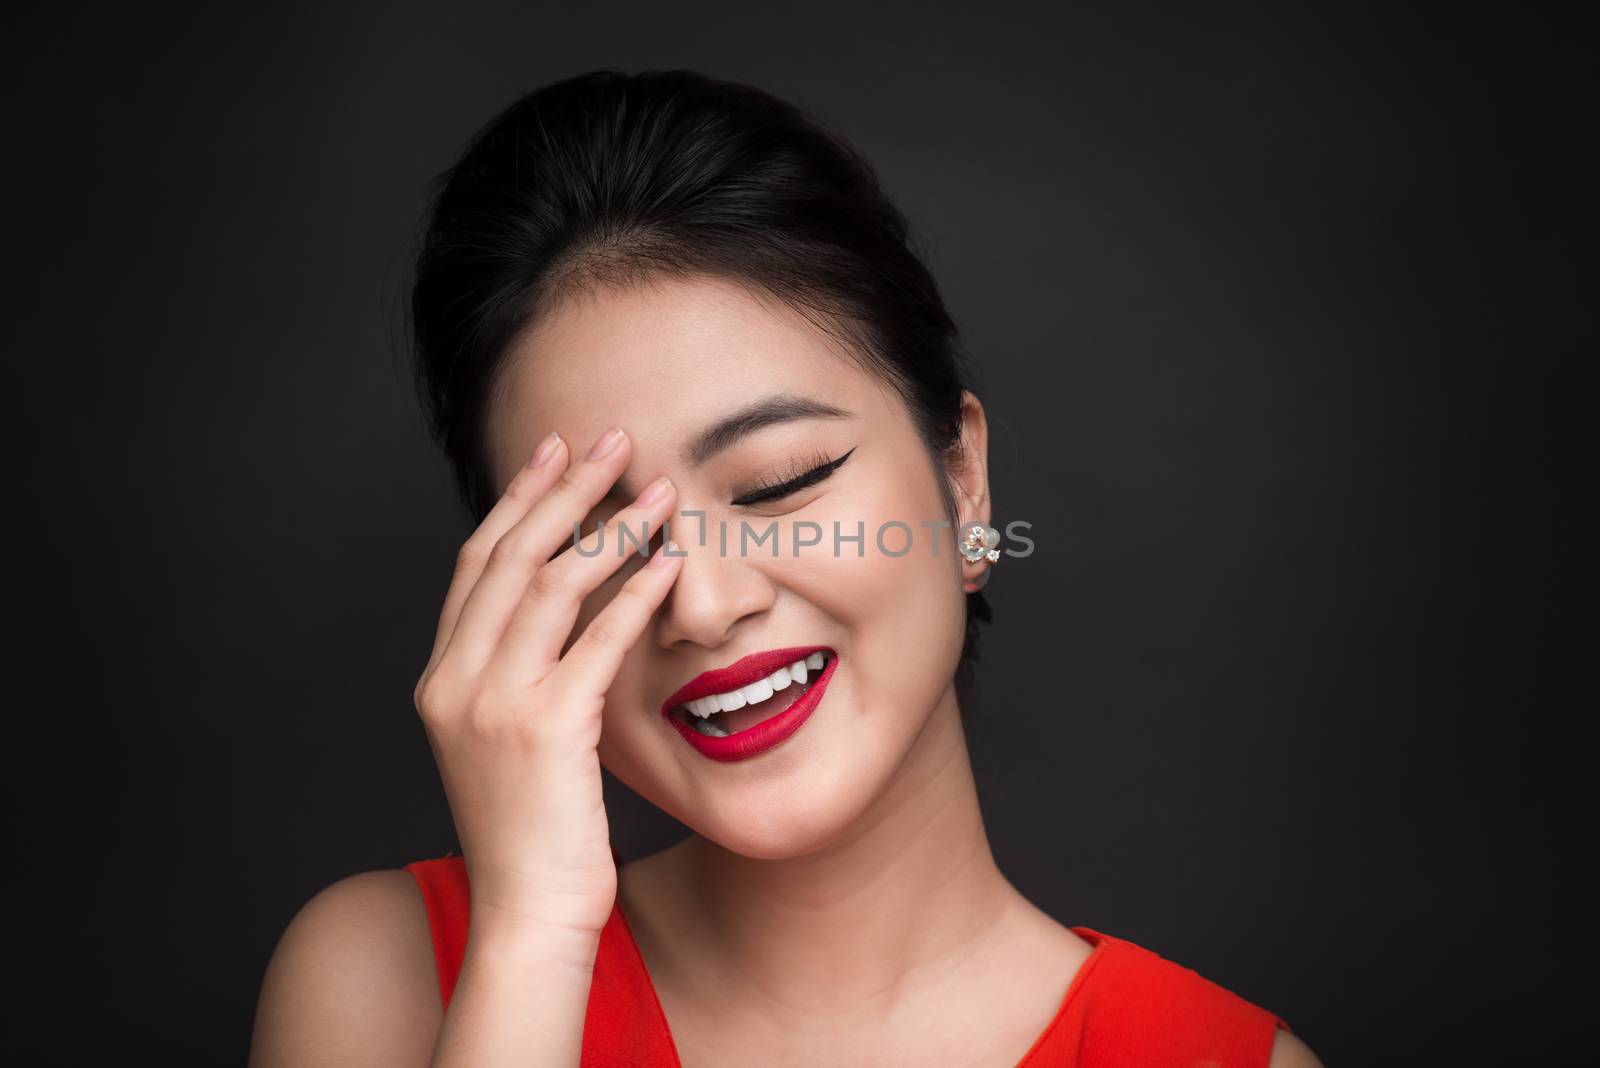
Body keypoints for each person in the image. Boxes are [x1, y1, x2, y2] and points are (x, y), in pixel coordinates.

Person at [248, 68, 1322, 1067]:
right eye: (598, 540)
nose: (704, 608)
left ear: (963, 485)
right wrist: (530, 940)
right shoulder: (388, 981)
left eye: (778, 483)